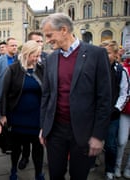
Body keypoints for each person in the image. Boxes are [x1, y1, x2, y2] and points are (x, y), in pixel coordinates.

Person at [39, 13, 112, 179]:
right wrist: (44, 127)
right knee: (55, 174)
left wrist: (98, 135)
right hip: (55, 130)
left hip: (84, 133)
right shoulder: (50, 59)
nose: (47, 40)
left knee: (78, 175)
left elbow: (105, 99)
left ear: (64, 30)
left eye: (49, 35)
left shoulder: (96, 54)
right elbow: (47, 96)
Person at [0, 40, 44, 180]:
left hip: (36, 117)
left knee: (38, 147)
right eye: (34, 55)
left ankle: (38, 173)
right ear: (26, 54)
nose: (36, 59)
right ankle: (13, 170)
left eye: (38, 55)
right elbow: (4, 93)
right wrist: (3, 114)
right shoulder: (13, 69)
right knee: (16, 147)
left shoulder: (41, 69)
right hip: (17, 116)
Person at [16, 31, 48, 170]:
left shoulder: (47, 60)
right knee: (24, 140)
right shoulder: (18, 66)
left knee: (37, 143)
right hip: (22, 112)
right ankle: (24, 156)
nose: (40, 44)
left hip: (39, 111)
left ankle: (39, 169)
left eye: (41, 42)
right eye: (36, 42)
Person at [99, 40, 129, 180]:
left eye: (109, 53)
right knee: (92, 140)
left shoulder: (120, 71)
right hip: (97, 113)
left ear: (116, 54)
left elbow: (124, 92)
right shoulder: (95, 69)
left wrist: (117, 108)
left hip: (112, 114)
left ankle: (110, 169)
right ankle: (92, 162)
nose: (105, 56)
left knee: (111, 144)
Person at [115, 54, 130, 178]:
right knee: (121, 141)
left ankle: (128, 169)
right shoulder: (125, 69)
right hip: (126, 111)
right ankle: (117, 166)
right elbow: (123, 91)